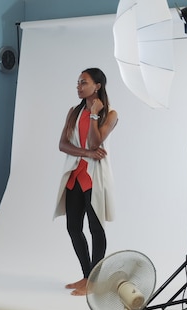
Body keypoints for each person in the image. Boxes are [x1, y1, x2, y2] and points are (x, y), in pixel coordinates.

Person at [54, 68, 118, 296]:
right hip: (74, 177)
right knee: (73, 227)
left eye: (84, 82)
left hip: (93, 179)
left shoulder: (110, 114)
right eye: (78, 82)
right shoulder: (73, 112)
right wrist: (87, 153)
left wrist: (93, 115)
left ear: (97, 86)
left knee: (95, 228)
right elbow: (63, 145)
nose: (79, 87)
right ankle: (86, 276)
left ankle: (95, 281)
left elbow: (95, 142)